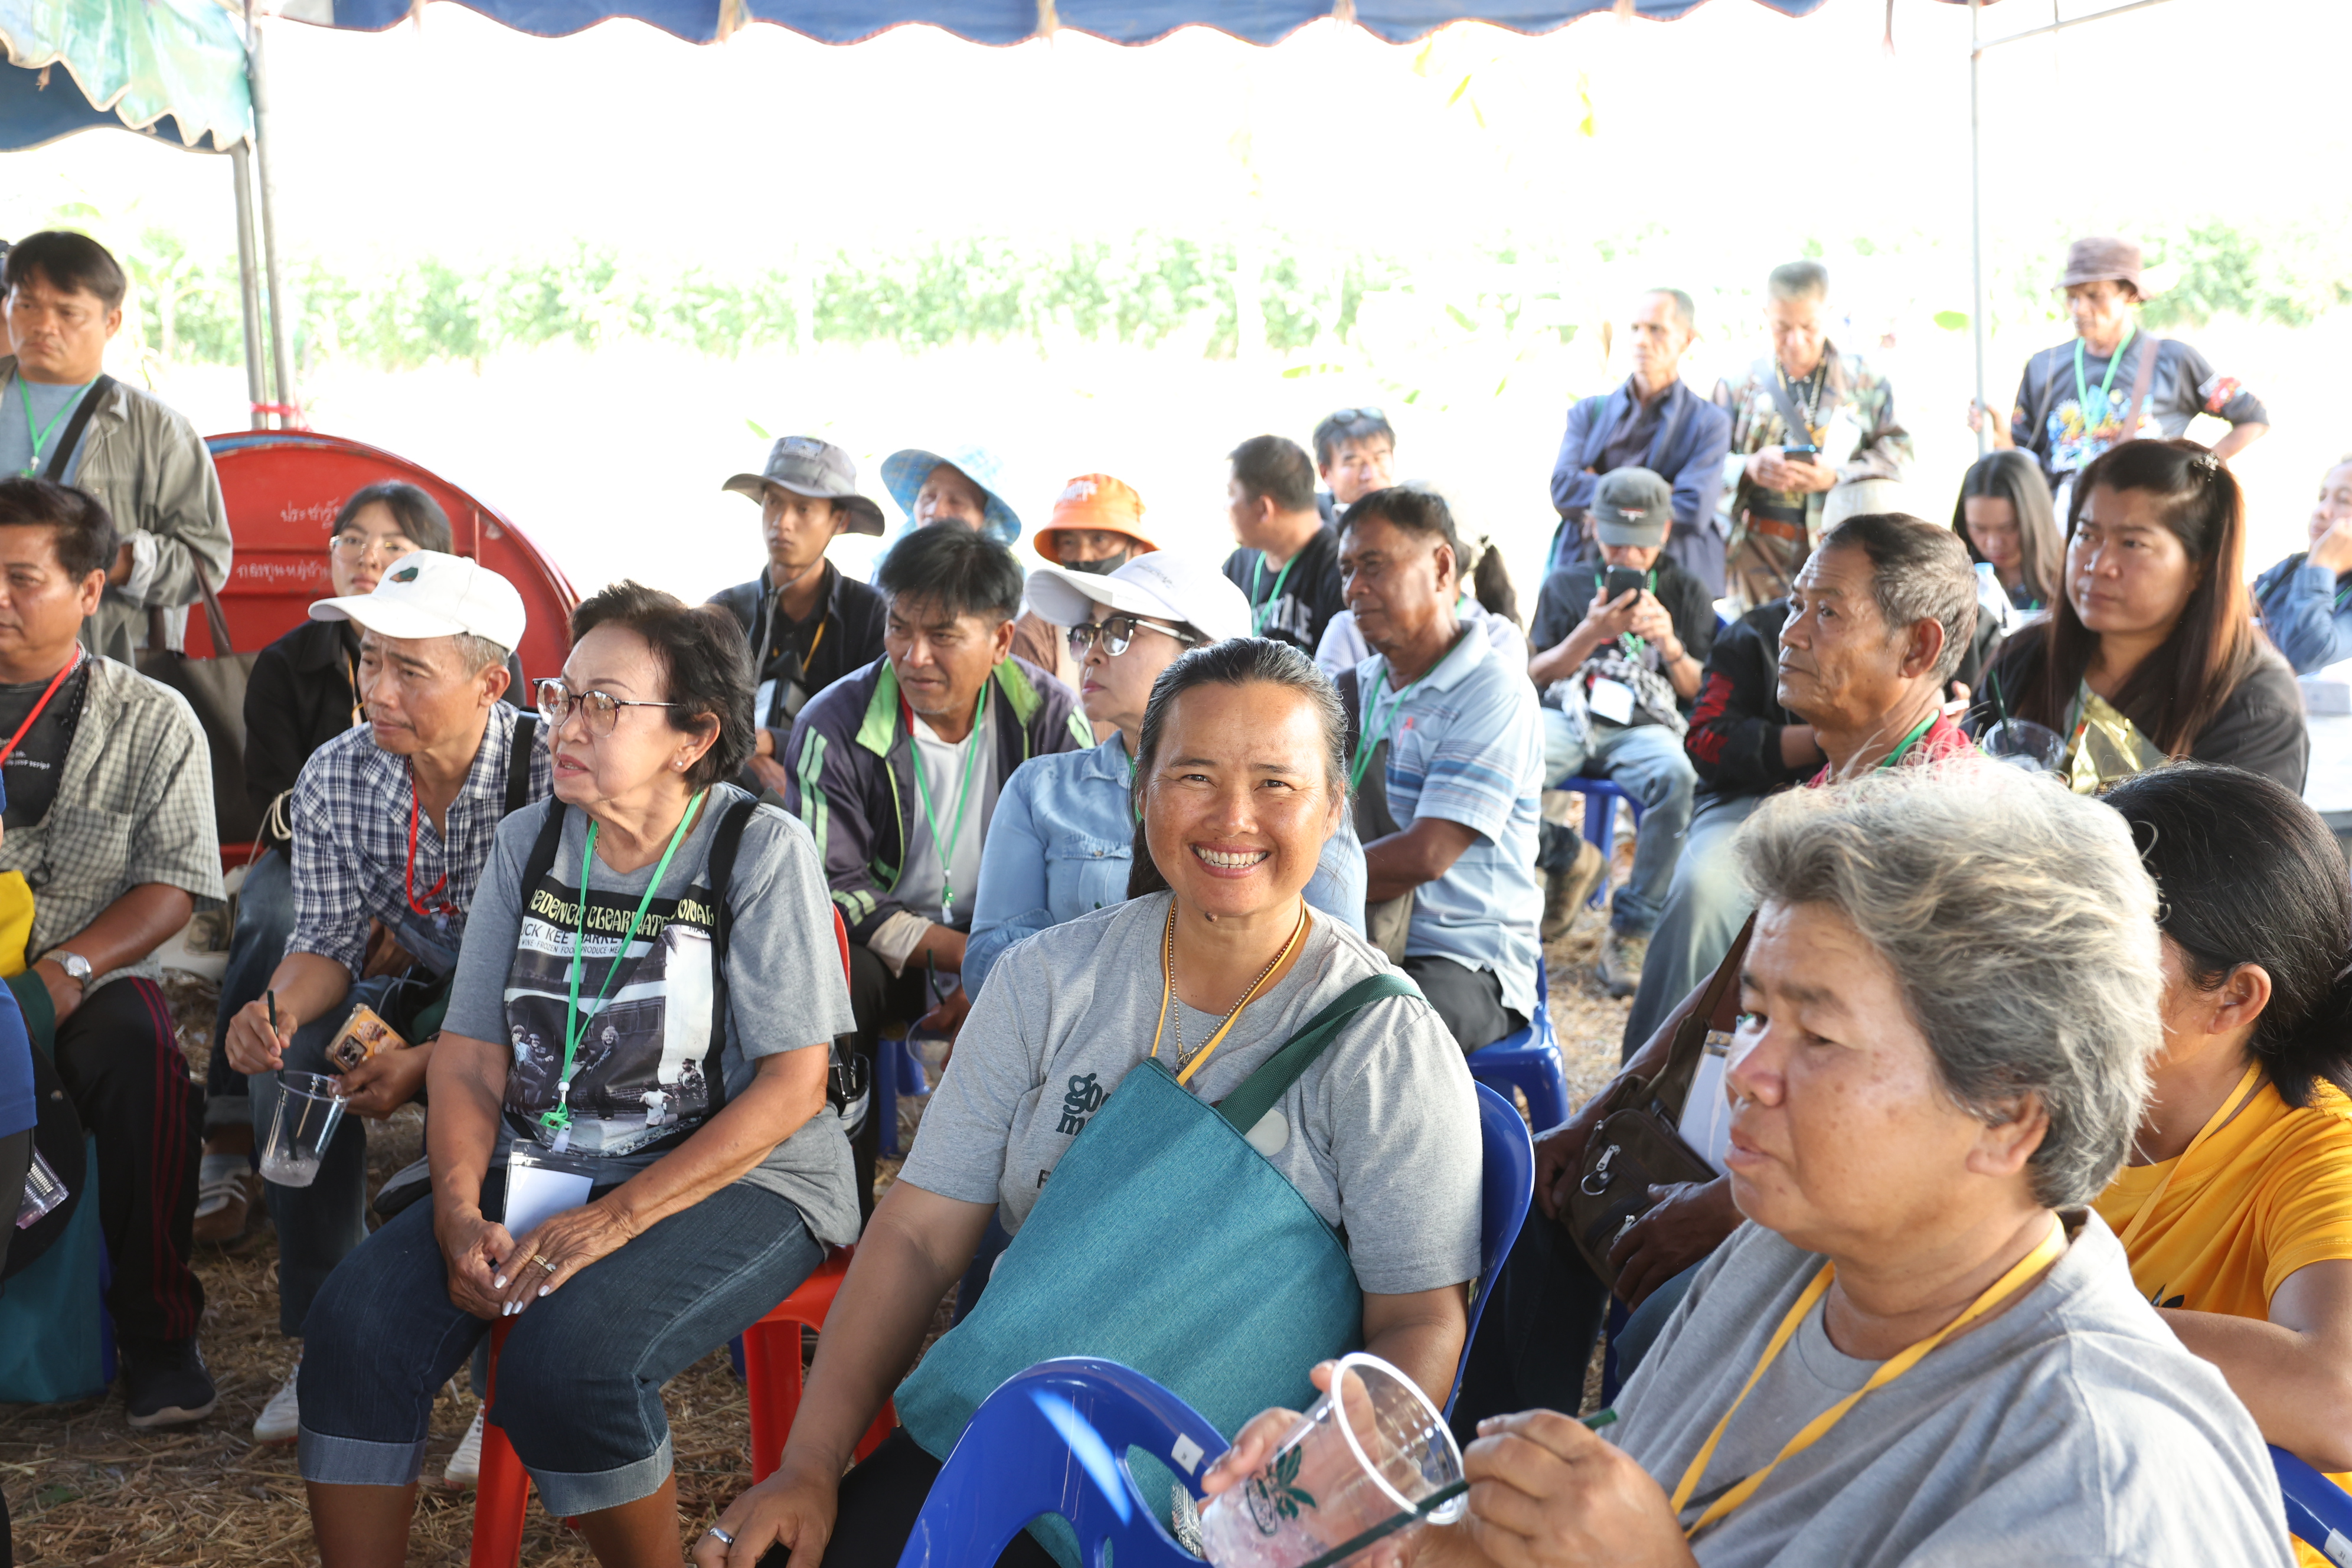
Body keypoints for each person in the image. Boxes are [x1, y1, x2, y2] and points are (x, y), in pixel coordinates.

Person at [1248, 766, 2294, 1567]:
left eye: (1816, 1037)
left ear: (2009, 1117)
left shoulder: (2104, 1483)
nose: (1742, 1075)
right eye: (1751, 1016)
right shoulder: (1789, 1257)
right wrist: (1392, 1531)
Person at [696, 638, 1482, 1568]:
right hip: (989, 1440)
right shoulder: (1049, 979)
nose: (1234, 817)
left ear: (1332, 808)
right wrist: (811, 1467)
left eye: (1277, 783)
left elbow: (1421, 1319)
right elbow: (915, 1234)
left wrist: (1309, 1505)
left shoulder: (1382, 1039)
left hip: (1200, 1500)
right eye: (1195, 774)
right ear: (1138, 789)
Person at [292, 583, 857, 1568]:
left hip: (742, 1173)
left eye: (606, 703)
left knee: (571, 1367)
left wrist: (613, 1219)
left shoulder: (755, 847)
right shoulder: (532, 841)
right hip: (549, 1156)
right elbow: (470, 1054)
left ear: (690, 739)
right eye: (562, 697)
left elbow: (791, 1088)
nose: (565, 724)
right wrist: (457, 1211)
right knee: (354, 1327)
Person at [220, 551, 549, 1452]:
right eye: (369, 659)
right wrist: (278, 1007)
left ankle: (510, 1373)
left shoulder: (553, 775)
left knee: (541, 1091)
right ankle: (325, 1331)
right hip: (433, 988)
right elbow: (325, 947)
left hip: (547, 1005)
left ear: (491, 683)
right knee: (291, 1060)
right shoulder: (338, 773)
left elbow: (565, 994)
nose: (378, 690)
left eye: (411, 668)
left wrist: (434, 1064)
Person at [0, 478, 226, 1426]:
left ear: (92, 591)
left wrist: (63, 974)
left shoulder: (151, 717)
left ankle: (159, 1334)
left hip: (86, 974)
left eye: (21, 579)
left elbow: (174, 883)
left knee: (143, 1060)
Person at [785, 525, 1088, 1219]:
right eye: (899, 627)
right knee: (837, 978)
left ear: (1002, 641)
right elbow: (830, 884)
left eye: (944, 636)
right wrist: (966, 959)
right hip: (895, 948)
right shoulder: (834, 724)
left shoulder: (1050, 718)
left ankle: (1039, 1226)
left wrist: (1001, 974)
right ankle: (841, 1214)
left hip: (1020, 945)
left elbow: (1078, 884)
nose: (913, 657)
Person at [2098, 765, 2352, 1564]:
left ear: (2234, 999)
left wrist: (2022, 1311)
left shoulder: (2318, 1150)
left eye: (2105, 936)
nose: (2055, 959)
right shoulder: (2045, 1097)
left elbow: (2337, 1396)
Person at [195, 481, 456, 1248]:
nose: (368, 558)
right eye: (352, 541)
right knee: (276, 922)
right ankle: (232, 1129)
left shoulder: (536, 772)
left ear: (488, 682)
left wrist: (402, 915)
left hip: (479, 978)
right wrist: (278, 1011)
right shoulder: (290, 673)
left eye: (394, 546)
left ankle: (456, 1188)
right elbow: (279, 804)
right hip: (310, 854)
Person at [1622, 515, 1990, 1056]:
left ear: (1917, 650)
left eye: (1827, 613)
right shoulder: (1846, 776)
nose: (1790, 633)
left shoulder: (1939, 830)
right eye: (1797, 605)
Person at [964, 552, 1366, 999]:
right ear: (1143, 796)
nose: (1092, 653)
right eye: (1086, 633)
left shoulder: (1304, 796)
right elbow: (989, 965)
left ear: (1206, 654)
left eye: (1119, 631)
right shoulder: (1041, 789)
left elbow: (1336, 979)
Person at [1969, 438, 2307, 793]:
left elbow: (2235, 847)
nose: (2098, 566)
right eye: (2086, 535)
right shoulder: (2024, 657)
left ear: (2200, 566)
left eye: (2133, 544)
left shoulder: (2255, 708)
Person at [1339, 486, 1543, 1053]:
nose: (1354, 587)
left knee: (1364, 1046)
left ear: (1442, 566)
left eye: (1373, 566)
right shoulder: (1356, 690)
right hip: (1360, 934)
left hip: (1463, 959)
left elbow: (1427, 855)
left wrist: (1292, 882)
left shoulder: (1494, 692)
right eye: (1347, 569)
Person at [1, 231, 234, 665]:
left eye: (68, 312)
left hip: (105, 663)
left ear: (111, 322)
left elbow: (208, 560)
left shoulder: (159, 431)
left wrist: (113, 558)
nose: (43, 325)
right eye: (27, 304)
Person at [1526, 469, 1714, 993]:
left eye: (1641, 545)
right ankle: (1565, 856)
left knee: (1678, 776)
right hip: (1570, 711)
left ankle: (1634, 925)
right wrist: (1589, 634)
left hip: (1647, 722)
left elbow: (1701, 692)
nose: (1628, 557)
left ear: (1665, 533)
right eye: (1616, 541)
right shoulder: (1566, 582)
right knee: (1509, 760)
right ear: (1590, 526)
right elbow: (1535, 677)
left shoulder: (1686, 588)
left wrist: (1670, 643)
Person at [1976, 236, 2270, 502]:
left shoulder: (2175, 360)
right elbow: (2025, 457)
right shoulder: (2044, 366)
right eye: (2073, 297)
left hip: (2145, 526)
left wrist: (2202, 467)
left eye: (2094, 296)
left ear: (2128, 294)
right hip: (2062, 535)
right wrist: (2000, 439)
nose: (2079, 308)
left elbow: (2253, 418)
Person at [1717, 261, 1912, 612]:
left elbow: (1900, 457)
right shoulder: (1737, 385)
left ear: (1829, 313)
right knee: (1757, 650)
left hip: (1843, 554)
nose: (1796, 341)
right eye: (1781, 328)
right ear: (1766, 315)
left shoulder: (1865, 380)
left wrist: (1837, 476)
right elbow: (1706, 462)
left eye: (1809, 326)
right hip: (1759, 556)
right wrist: (1749, 467)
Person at [709, 436, 888, 796]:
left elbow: (876, 736)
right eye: (773, 502)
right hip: (728, 790)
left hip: (838, 798)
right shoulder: (723, 612)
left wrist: (774, 743)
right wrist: (753, 757)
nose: (783, 522)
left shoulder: (871, 615)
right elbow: (697, 719)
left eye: (803, 509)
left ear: (839, 521)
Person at [1547, 289, 1734, 596]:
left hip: (1670, 583)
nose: (1641, 341)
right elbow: (1563, 490)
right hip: (1585, 575)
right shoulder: (1588, 413)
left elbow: (1693, 509)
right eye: (1635, 329)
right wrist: (1658, 493)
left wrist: (1600, 490)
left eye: (1656, 330)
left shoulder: (1709, 422)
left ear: (1686, 340)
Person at [1005, 472, 1157, 690]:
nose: (1083, 556)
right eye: (1069, 541)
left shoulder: (1160, 626)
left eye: (1099, 539)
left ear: (1136, 549)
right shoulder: (1037, 634)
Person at [1222, 434, 1348, 657]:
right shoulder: (1239, 564)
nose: (1226, 507)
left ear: (1263, 509)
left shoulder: (1341, 570)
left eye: (1231, 493)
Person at [2251, 453, 2352, 674]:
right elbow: (2224, 613)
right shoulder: (2294, 567)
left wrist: (2323, 565)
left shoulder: (2315, 566)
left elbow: (2304, 654)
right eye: (2322, 497)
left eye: (2344, 501)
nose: (2321, 512)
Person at [1951, 448, 2062, 620]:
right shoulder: (1954, 582)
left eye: (2008, 528)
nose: (1993, 543)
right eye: (1979, 528)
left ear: (2036, 520)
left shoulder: (2073, 579)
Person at [877, 443, 1021, 548]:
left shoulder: (1002, 585)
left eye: (956, 501)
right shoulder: (892, 562)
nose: (934, 511)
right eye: (928, 496)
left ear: (987, 518)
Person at [1312, 404, 1396, 525]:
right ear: (1326, 473)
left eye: (1379, 458)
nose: (1370, 474)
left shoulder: (1414, 514)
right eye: (1354, 463)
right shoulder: (1313, 522)